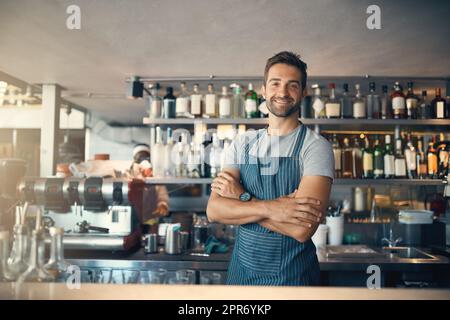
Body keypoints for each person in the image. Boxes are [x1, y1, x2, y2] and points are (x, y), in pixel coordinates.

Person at [206, 51, 334, 286]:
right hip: (241, 277)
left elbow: (301, 230)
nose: (282, 93)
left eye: (292, 85)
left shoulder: (316, 147)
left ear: (303, 92)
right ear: (263, 90)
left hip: (293, 279)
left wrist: (241, 198)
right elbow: (214, 210)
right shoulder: (241, 143)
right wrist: (277, 209)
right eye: (275, 83)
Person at [131, 144, 169, 231]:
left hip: (152, 222)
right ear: (134, 160)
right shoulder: (130, 175)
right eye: (139, 159)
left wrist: (163, 205)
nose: (143, 161)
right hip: (132, 221)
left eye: (146, 158)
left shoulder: (156, 178)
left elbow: (163, 197)